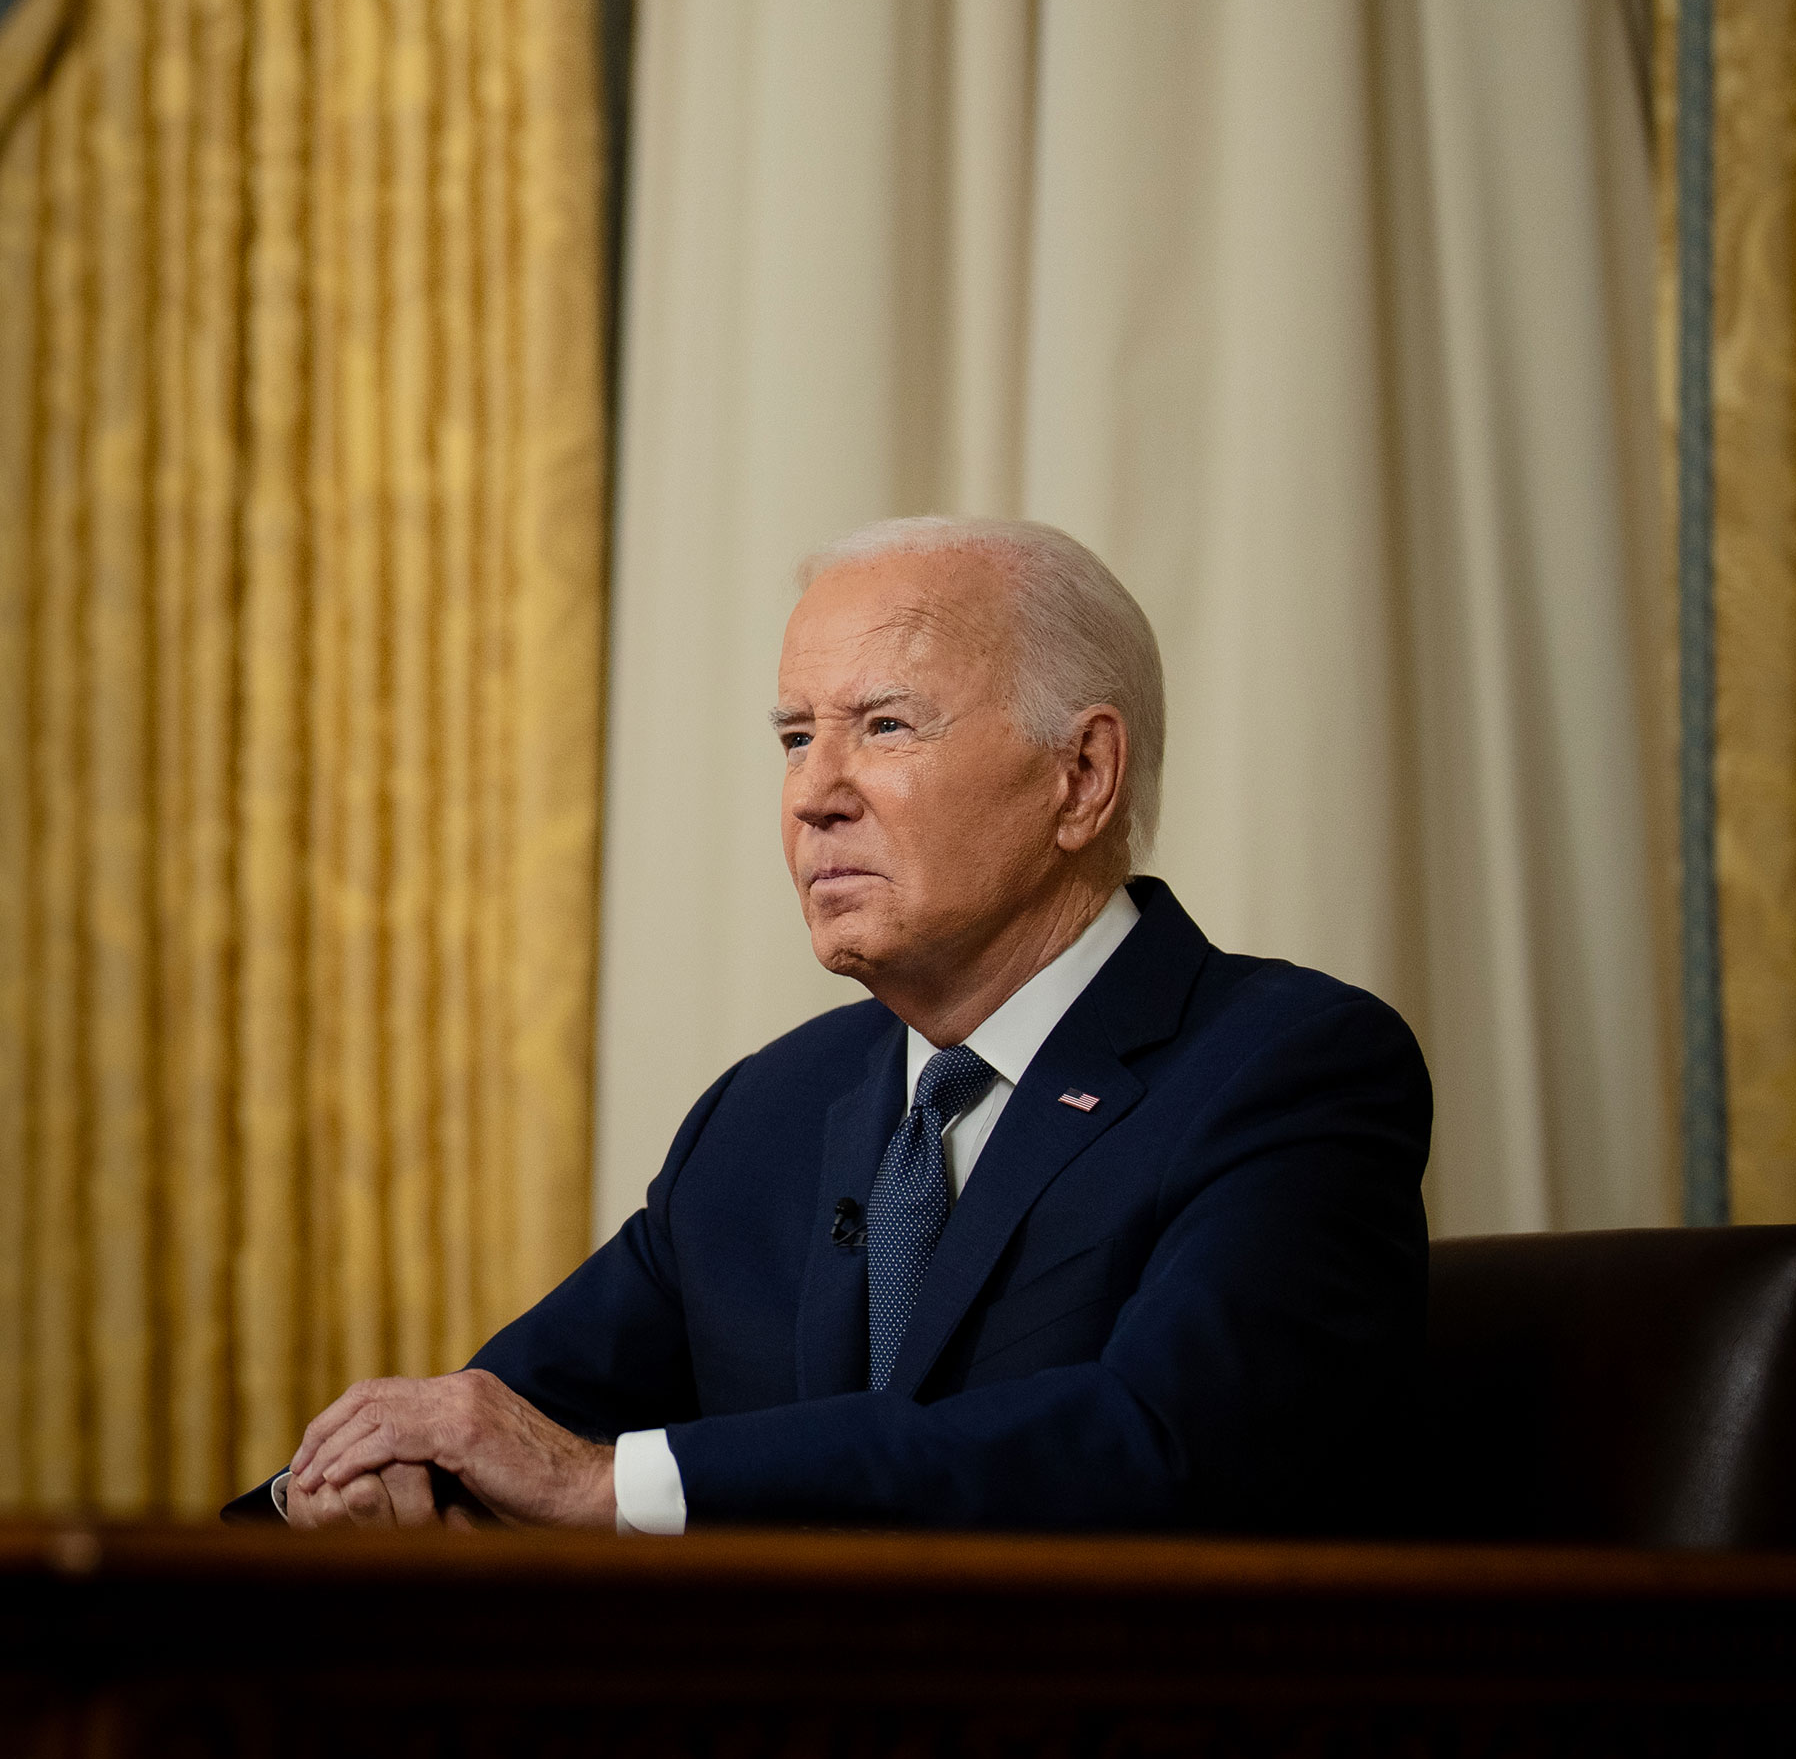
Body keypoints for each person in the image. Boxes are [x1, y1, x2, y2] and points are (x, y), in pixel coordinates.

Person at [231, 517, 1430, 1534]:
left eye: (886, 727)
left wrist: (613, 1483)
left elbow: (1156, 1443)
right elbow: (506, 1421)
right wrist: (344, 1489)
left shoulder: (1288, 1069)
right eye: (797, 737)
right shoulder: (770, 1111)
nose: (813, 794)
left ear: (1082, 777)